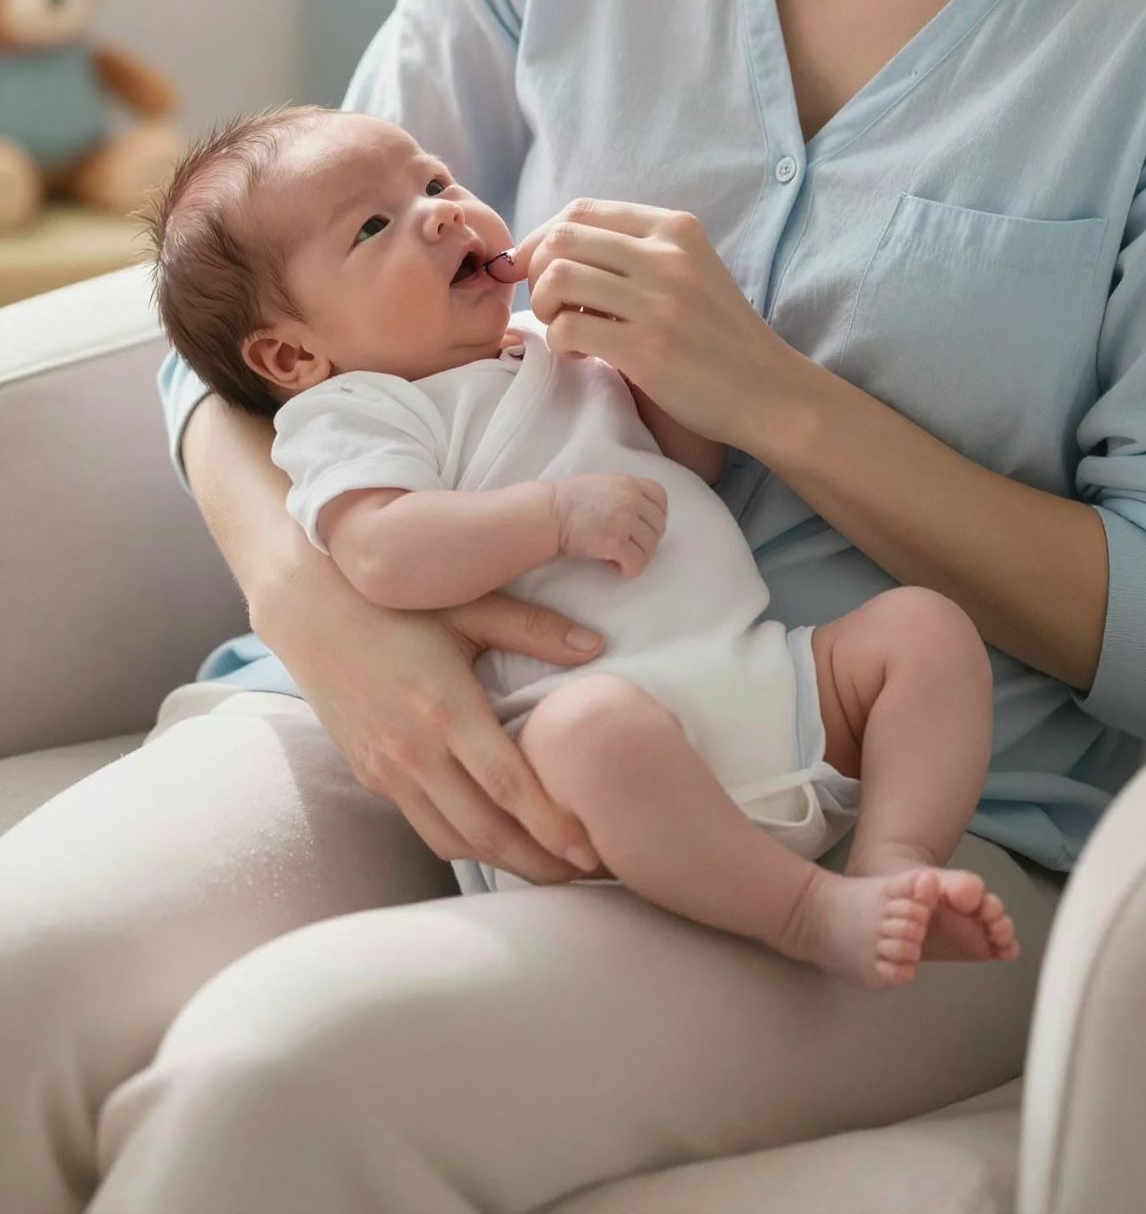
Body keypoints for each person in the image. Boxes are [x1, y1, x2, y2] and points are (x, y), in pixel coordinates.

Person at [3, 0, 1146, 1212]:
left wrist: (781, 401)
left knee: (279, 1088)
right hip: (433, 690)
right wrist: (320, 612)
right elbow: (248, 310)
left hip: (867, 809)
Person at [147, 102, 1020, 987]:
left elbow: (690, 466)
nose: (443, 212)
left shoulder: (542, 346)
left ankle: (894, 861)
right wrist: (553, 518)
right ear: (292, 359)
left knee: (924, 632)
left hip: (771, 690)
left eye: (435, 181)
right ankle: (806, 913)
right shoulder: (356, 413)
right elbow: (379, 551)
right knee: (595, 730)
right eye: (374, 226)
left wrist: (659, 365)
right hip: (586, 774)